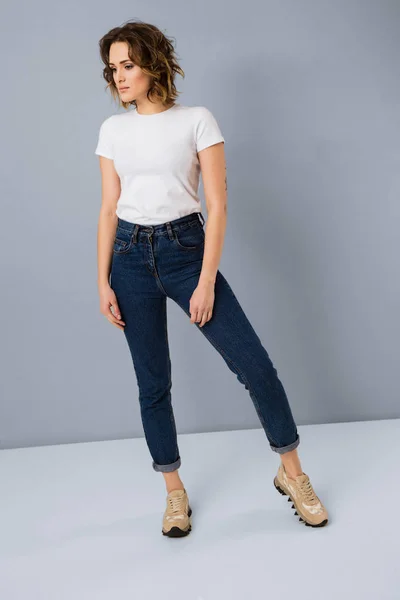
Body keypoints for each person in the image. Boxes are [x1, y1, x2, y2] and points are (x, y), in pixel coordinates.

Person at [95, 19, 329, 537]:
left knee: (256, 368)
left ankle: (293, 475)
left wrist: (205, 280)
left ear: (153, 63)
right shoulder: (114, 130)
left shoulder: (197, 120)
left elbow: (218, 206)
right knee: (152, 385)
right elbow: (109, 209)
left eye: (128, 65)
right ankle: (173, 493)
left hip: (185, 251)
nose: (119, 77)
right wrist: (102, 281)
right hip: (129, 256)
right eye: (113, 69)